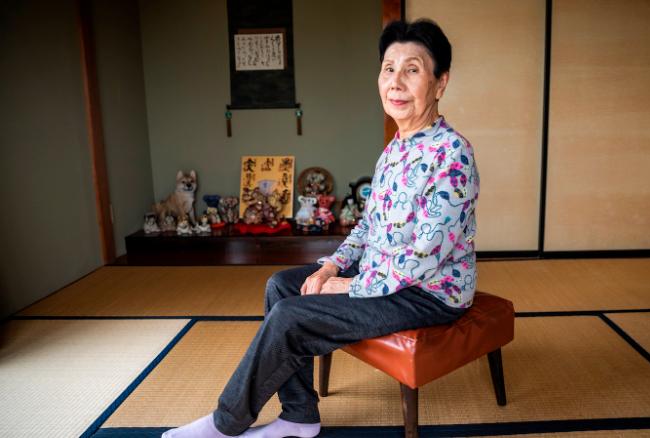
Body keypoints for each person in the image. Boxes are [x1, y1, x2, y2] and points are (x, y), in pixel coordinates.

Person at [163, 18, 479, 438]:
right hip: (384, 274)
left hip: (429, 292)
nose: (396, 82)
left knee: (292, 317)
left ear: (440, 84)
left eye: (413, 69)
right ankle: (299, 416)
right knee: (282, 286)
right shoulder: (394, 151)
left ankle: (226, 424)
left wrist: (352, 285)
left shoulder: (452, 154)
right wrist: (331, 268)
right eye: (388, 68)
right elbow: (367, 228)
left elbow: (424, 258)